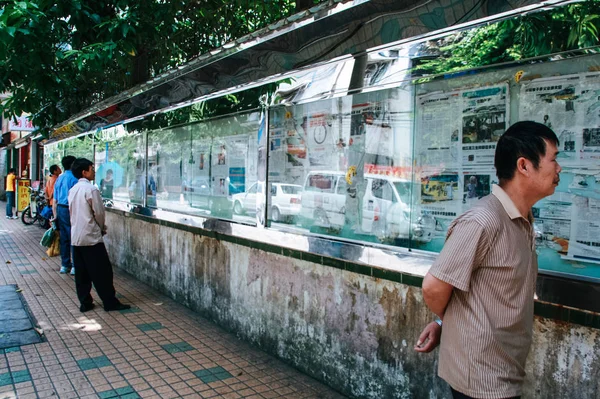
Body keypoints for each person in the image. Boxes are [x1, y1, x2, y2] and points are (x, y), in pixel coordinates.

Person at [414, 121, 562, 399]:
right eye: (553, 159)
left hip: (505, 371)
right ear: (524, 165)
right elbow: (433, 288)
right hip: (482, 377)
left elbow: (485, 292)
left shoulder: (522, 220)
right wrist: (456, 323)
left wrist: (445, 324)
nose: (558, 168)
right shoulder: (482, 221)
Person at [68, 158, 131, 312]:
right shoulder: (91, 190)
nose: (94, 171)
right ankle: (110, 302)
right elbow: (99, 212)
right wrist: (102, 228)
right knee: (102, 271)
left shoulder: (73, 189)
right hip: (91, 236)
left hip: (76, 236)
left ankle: (85, 302)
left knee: (81, 273)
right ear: (84, 172)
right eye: (91, 168)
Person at [53, 156, 78, 275]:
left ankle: (64, 264)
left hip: (60, 209)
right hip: (71, 209)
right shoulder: (75, 178)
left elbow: (55, 199)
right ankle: (75, 266)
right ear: (73, 164)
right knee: (73, 236)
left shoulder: (60, 178)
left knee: (64, 238)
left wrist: (55, 215)